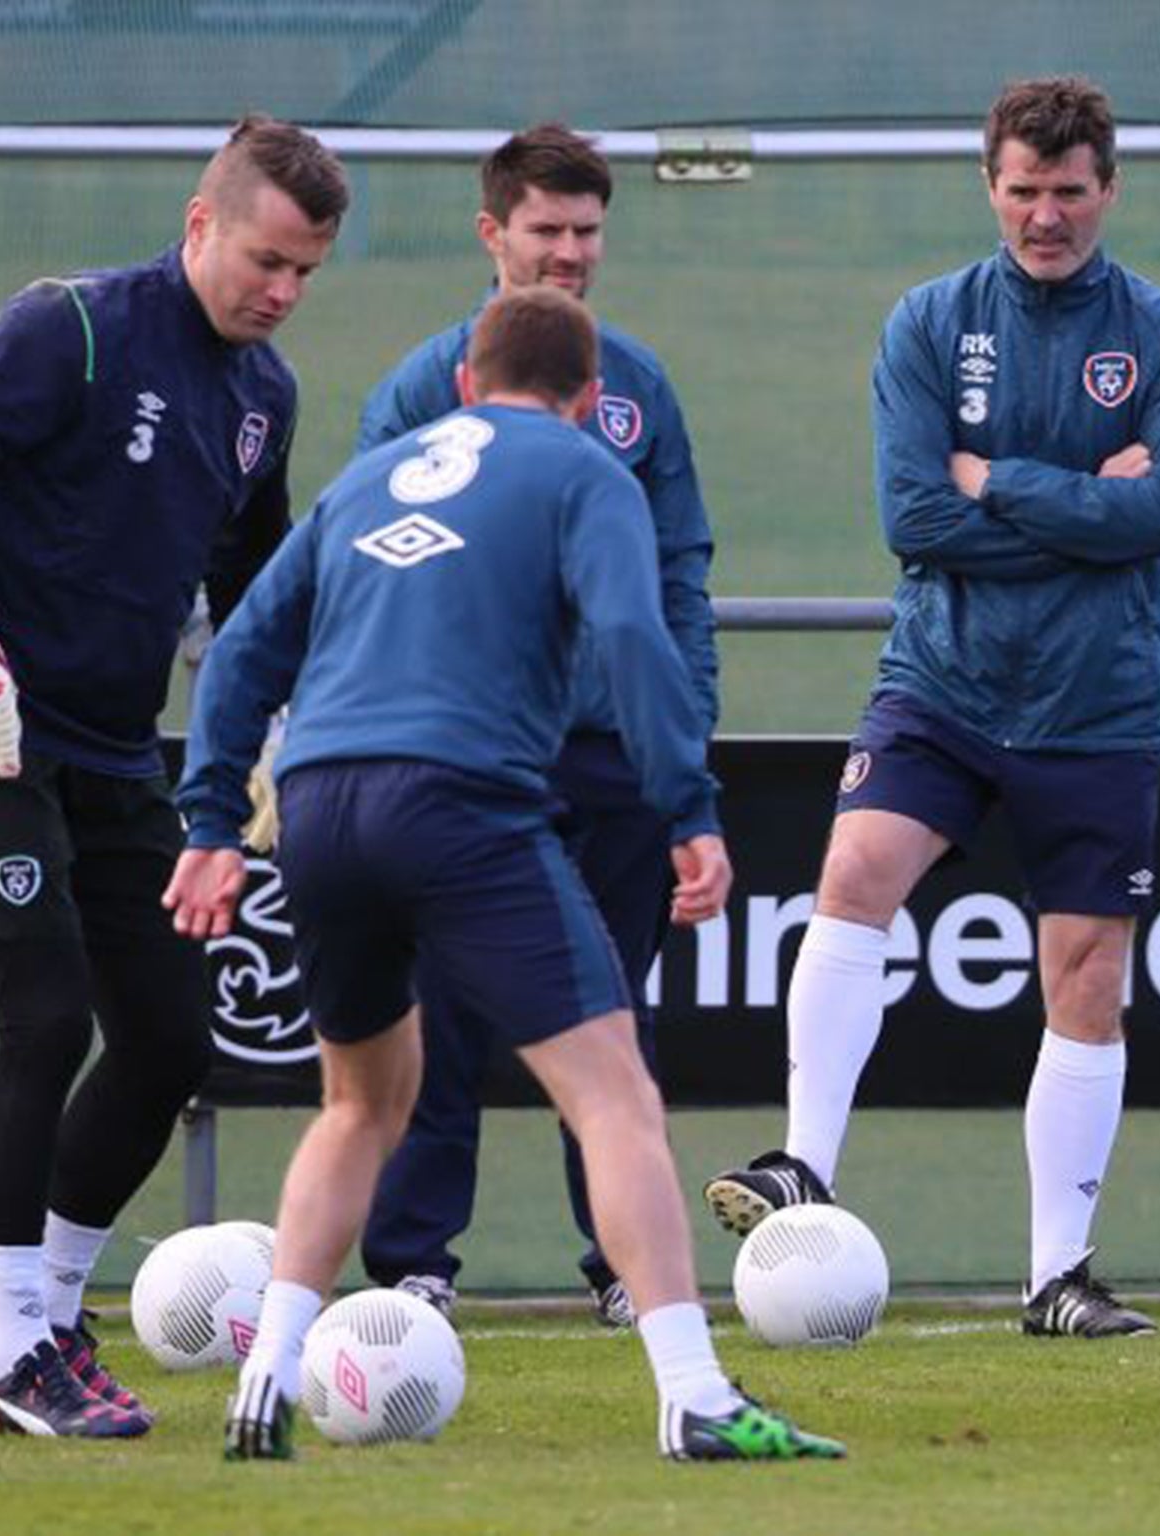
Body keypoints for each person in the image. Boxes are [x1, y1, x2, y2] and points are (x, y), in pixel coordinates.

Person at [165, 286, 840, 1463]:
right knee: (613, 1096)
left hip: (319, 809)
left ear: (466, 383)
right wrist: (686, 804)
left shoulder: (370, 477)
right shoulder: (585, 473)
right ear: (586, 400)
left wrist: (214, 819)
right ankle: (693, 1397)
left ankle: (262, 1385)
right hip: (460, 801)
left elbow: (239, 655)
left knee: (358, 1105)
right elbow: (635, 639)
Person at [701, 76, 1160, 1338]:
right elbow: (911, 517)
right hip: (939, 680)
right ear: (988, 186)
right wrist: (1081, 508)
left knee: (1084, 974)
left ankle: (1056, 1277)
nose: (1045, 216)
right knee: (855, 871)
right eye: (1023, 191)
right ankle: (800, 1166)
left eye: (1068, 191)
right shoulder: (930, 322)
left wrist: (1001, 485)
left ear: (1108, 188)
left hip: (1096, 705)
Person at [0, 115, 347, 1438]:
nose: (282, 291)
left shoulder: (264, 399)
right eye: (265, 260)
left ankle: (49, 1321)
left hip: (110, 748)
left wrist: (279, 724)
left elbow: (248, 593)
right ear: (201, 225)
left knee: (168, 1038)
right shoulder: (74, 326)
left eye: (307, 273)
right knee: (44, 1018)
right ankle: (15, 1349)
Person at [354, 123, 717, 1329]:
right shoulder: (422, 382)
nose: (567, 252)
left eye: (586, 230)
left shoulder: (643, 387)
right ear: (492, 234)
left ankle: (621, 1266)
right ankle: (414, 1265)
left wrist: (682, 756)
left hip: (609, 763)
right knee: (439, 1009)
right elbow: (365, 565)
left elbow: (677, 583)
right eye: (544, 230)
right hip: (467, 755)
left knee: (609, 1013)